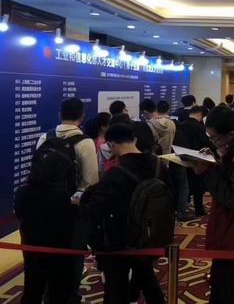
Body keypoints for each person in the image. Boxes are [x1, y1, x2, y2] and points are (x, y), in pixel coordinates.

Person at [81, 124, 167, 304]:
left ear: (111, 144)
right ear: (134, 139)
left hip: (120, 239)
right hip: (150, 234)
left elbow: (95, 208)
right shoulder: (158, 164)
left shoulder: (114, 174)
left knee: (116, 288)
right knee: (148, 281)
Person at [36, 98, 98, 303]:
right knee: (73, 255)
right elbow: (90, 182)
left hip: (45, 206)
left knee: (46, 252)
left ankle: (48, 294)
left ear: (59, 114)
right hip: (72, 208)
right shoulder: (85, 142)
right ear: (82, 116)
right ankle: (69, 296)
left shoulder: (45, 137)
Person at [195, 105, 234, 304]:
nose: (213, 142)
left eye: (215, 138)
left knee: (229, 281)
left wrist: (208, 171)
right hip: (225, 222)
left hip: (233, 224)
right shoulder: (232, 147)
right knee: (221, 278)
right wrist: (212, 158)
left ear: (231, 134)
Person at [15, 150, 77, 304]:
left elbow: (19, 215)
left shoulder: (23, 191)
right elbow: (68, 223)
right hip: (59, 251)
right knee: (58, 292)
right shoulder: (61, 195)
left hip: (32, 248)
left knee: (32, 288)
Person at [173, 106, 211, 217]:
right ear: (199, 114)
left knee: (185, 185)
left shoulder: (181, 125)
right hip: (196, 158)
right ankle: (199, 209)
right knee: (197, 186)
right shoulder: (200, 127)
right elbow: (205, 142)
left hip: (183, 157)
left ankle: (185, 206)